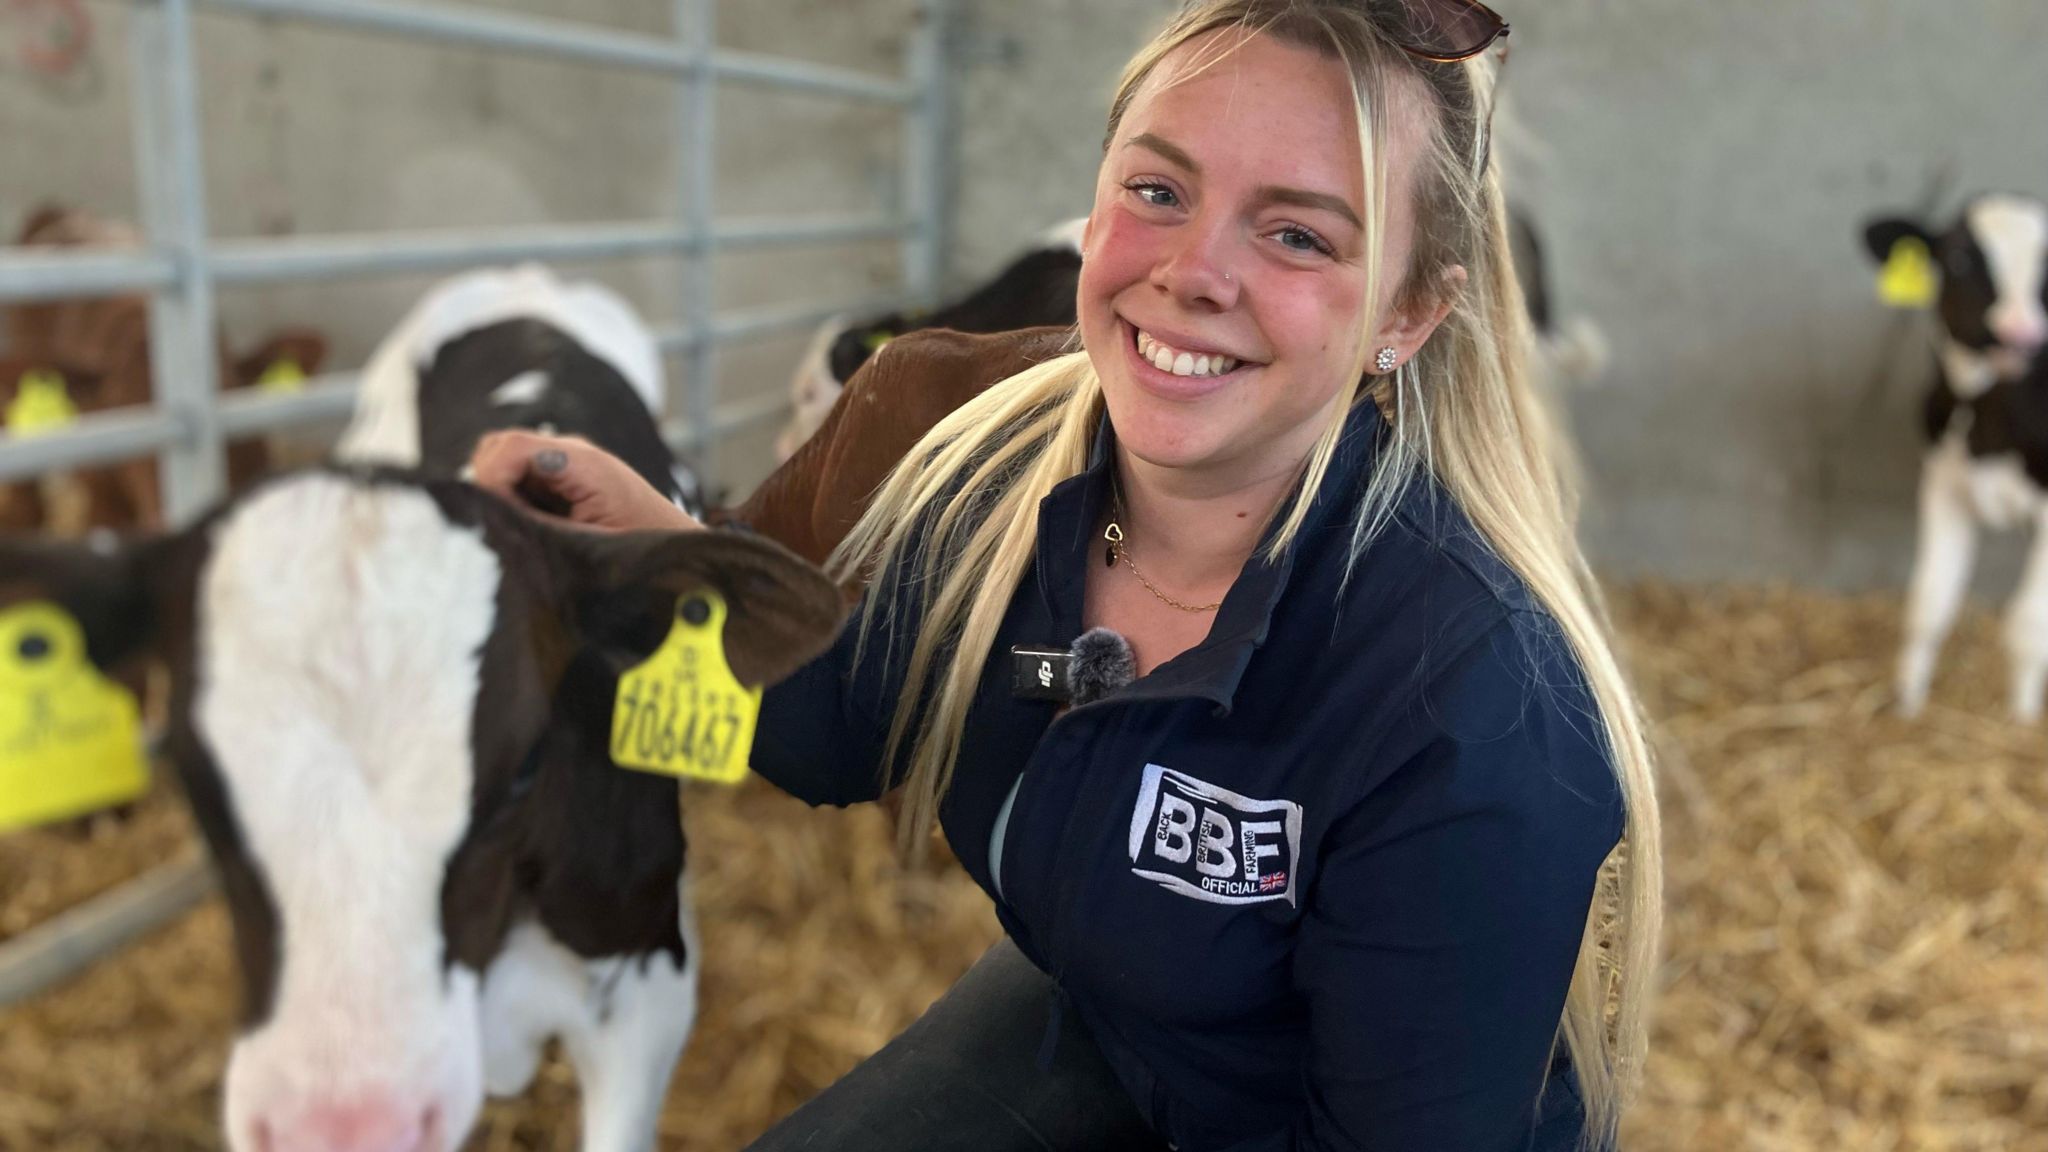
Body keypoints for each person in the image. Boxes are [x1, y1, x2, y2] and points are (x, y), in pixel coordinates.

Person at [471, 1, 1662, 1148]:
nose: (1194, 271)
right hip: (1117, 1016)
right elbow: (829, 727)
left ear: (1406, 315)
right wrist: (633, 567)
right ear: (1090, 213)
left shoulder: (1471, 711)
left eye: (1296, 233)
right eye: (1156, 192)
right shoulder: (992, 478)